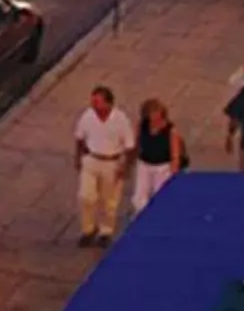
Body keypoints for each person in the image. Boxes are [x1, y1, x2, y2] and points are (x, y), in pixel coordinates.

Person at [73, 86, 136, 247]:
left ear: (108, 103)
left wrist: (126, 167)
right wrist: (78, 158)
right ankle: (88, 229)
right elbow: (80, 138)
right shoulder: (87, 116)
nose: (93, 105)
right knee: (86, 196)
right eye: (92, 101)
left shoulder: (121, 119)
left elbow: (130, 146)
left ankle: (105, 231)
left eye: (97, 102)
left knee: (109, 200)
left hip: (112, 162)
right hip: (91, 159)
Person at [134, 97, 188, 210]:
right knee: (139, 198)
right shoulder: (142, 125)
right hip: (145, 164)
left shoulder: (170, 130)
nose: (155, 119)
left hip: (162, 167)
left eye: (157, 115)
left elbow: (175, 153)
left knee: (160, 195)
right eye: (152, 115)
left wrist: (174, 170)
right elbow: (137, 142)